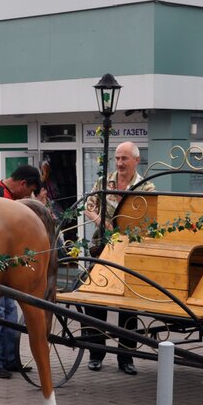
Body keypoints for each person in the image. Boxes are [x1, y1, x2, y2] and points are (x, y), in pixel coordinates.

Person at [83, 141, 155, 375]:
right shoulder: (105, 182)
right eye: (117, 158)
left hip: (130, 252)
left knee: (128, 308)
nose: (120, 163)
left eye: (124, 158)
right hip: (101, 248)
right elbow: (89, 206)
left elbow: (150, 221)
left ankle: (127, 358)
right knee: (94, 301)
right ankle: (96, 353)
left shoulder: (146, 188)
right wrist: (100, 222)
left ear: (136, 160)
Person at [0, 163, 42, 379]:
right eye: (30, 190)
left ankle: (10, 360)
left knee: (9, 311)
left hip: (3, 266)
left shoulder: (6, 194)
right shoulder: (0, 196)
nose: (29, 195)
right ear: (23, 184)